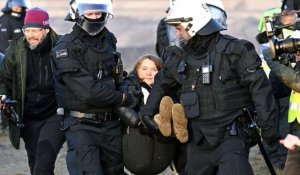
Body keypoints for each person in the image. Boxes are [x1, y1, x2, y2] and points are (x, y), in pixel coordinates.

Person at [140, 0, 280, 174]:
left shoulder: (235, 50)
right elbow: (162, 82)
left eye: (179, 27)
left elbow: (260, 89)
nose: (177, 32)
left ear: (193, 24)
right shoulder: (180, 56)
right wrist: (147, 112)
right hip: (198, 140)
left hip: (232, 137)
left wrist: (268, 128)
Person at [51, 0, 137, 174]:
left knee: (115, 171)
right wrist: (123, 98)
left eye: (99, 13)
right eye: (90, 13)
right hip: (81, 126)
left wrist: (128, 86)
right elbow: (88, 91)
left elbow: (117, 76)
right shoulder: (65, 48)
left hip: (111, 124)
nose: (95, 17)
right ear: (77, 13)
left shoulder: (109, 40)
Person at [0, 7, 65, 175]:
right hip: (27, 117)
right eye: (27, 30)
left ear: (46, 29)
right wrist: (3, 95)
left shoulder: (61, 47)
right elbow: (3, 79)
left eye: (35, 30)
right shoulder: (15, 50)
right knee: (35, 164)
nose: (31, 35)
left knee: (42, 167)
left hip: (54, 114)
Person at [119, 54, 186, 174]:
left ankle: (175, 127)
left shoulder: (168, 90)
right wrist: (141, 121)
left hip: (162, 148)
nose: (149, 73)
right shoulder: (129, 87)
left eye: (154, 69)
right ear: (137, 71)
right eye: (144, 69)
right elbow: (123, 107)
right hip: (138, 143)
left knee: (171, 107)